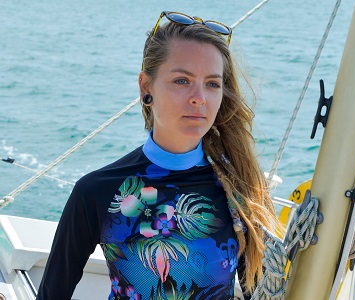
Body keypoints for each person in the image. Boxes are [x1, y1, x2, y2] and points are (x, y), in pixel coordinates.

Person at [37, 11, 281, 300]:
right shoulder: (97, 192)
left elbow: (262, 292)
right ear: (146, 87)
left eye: (212, 84)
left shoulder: (242, 191)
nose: (199, 97)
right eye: (182, 80)